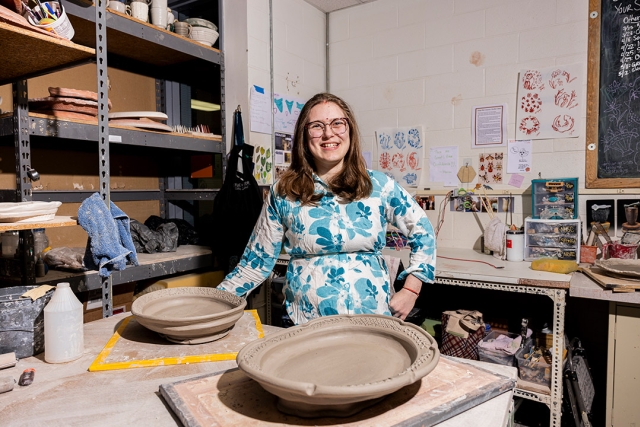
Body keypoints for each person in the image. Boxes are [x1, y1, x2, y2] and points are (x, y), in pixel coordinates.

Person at [217, 92, 436, 325]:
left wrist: (411, 290)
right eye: (317, 126)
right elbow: (255, 263)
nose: (328, 133)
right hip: (306, 324)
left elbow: (423, 232)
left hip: (371, 322)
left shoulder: (378, 186)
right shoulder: (284, 192)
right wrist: (213, 304)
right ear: (304, 135)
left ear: (349, 129)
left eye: (337, 124)